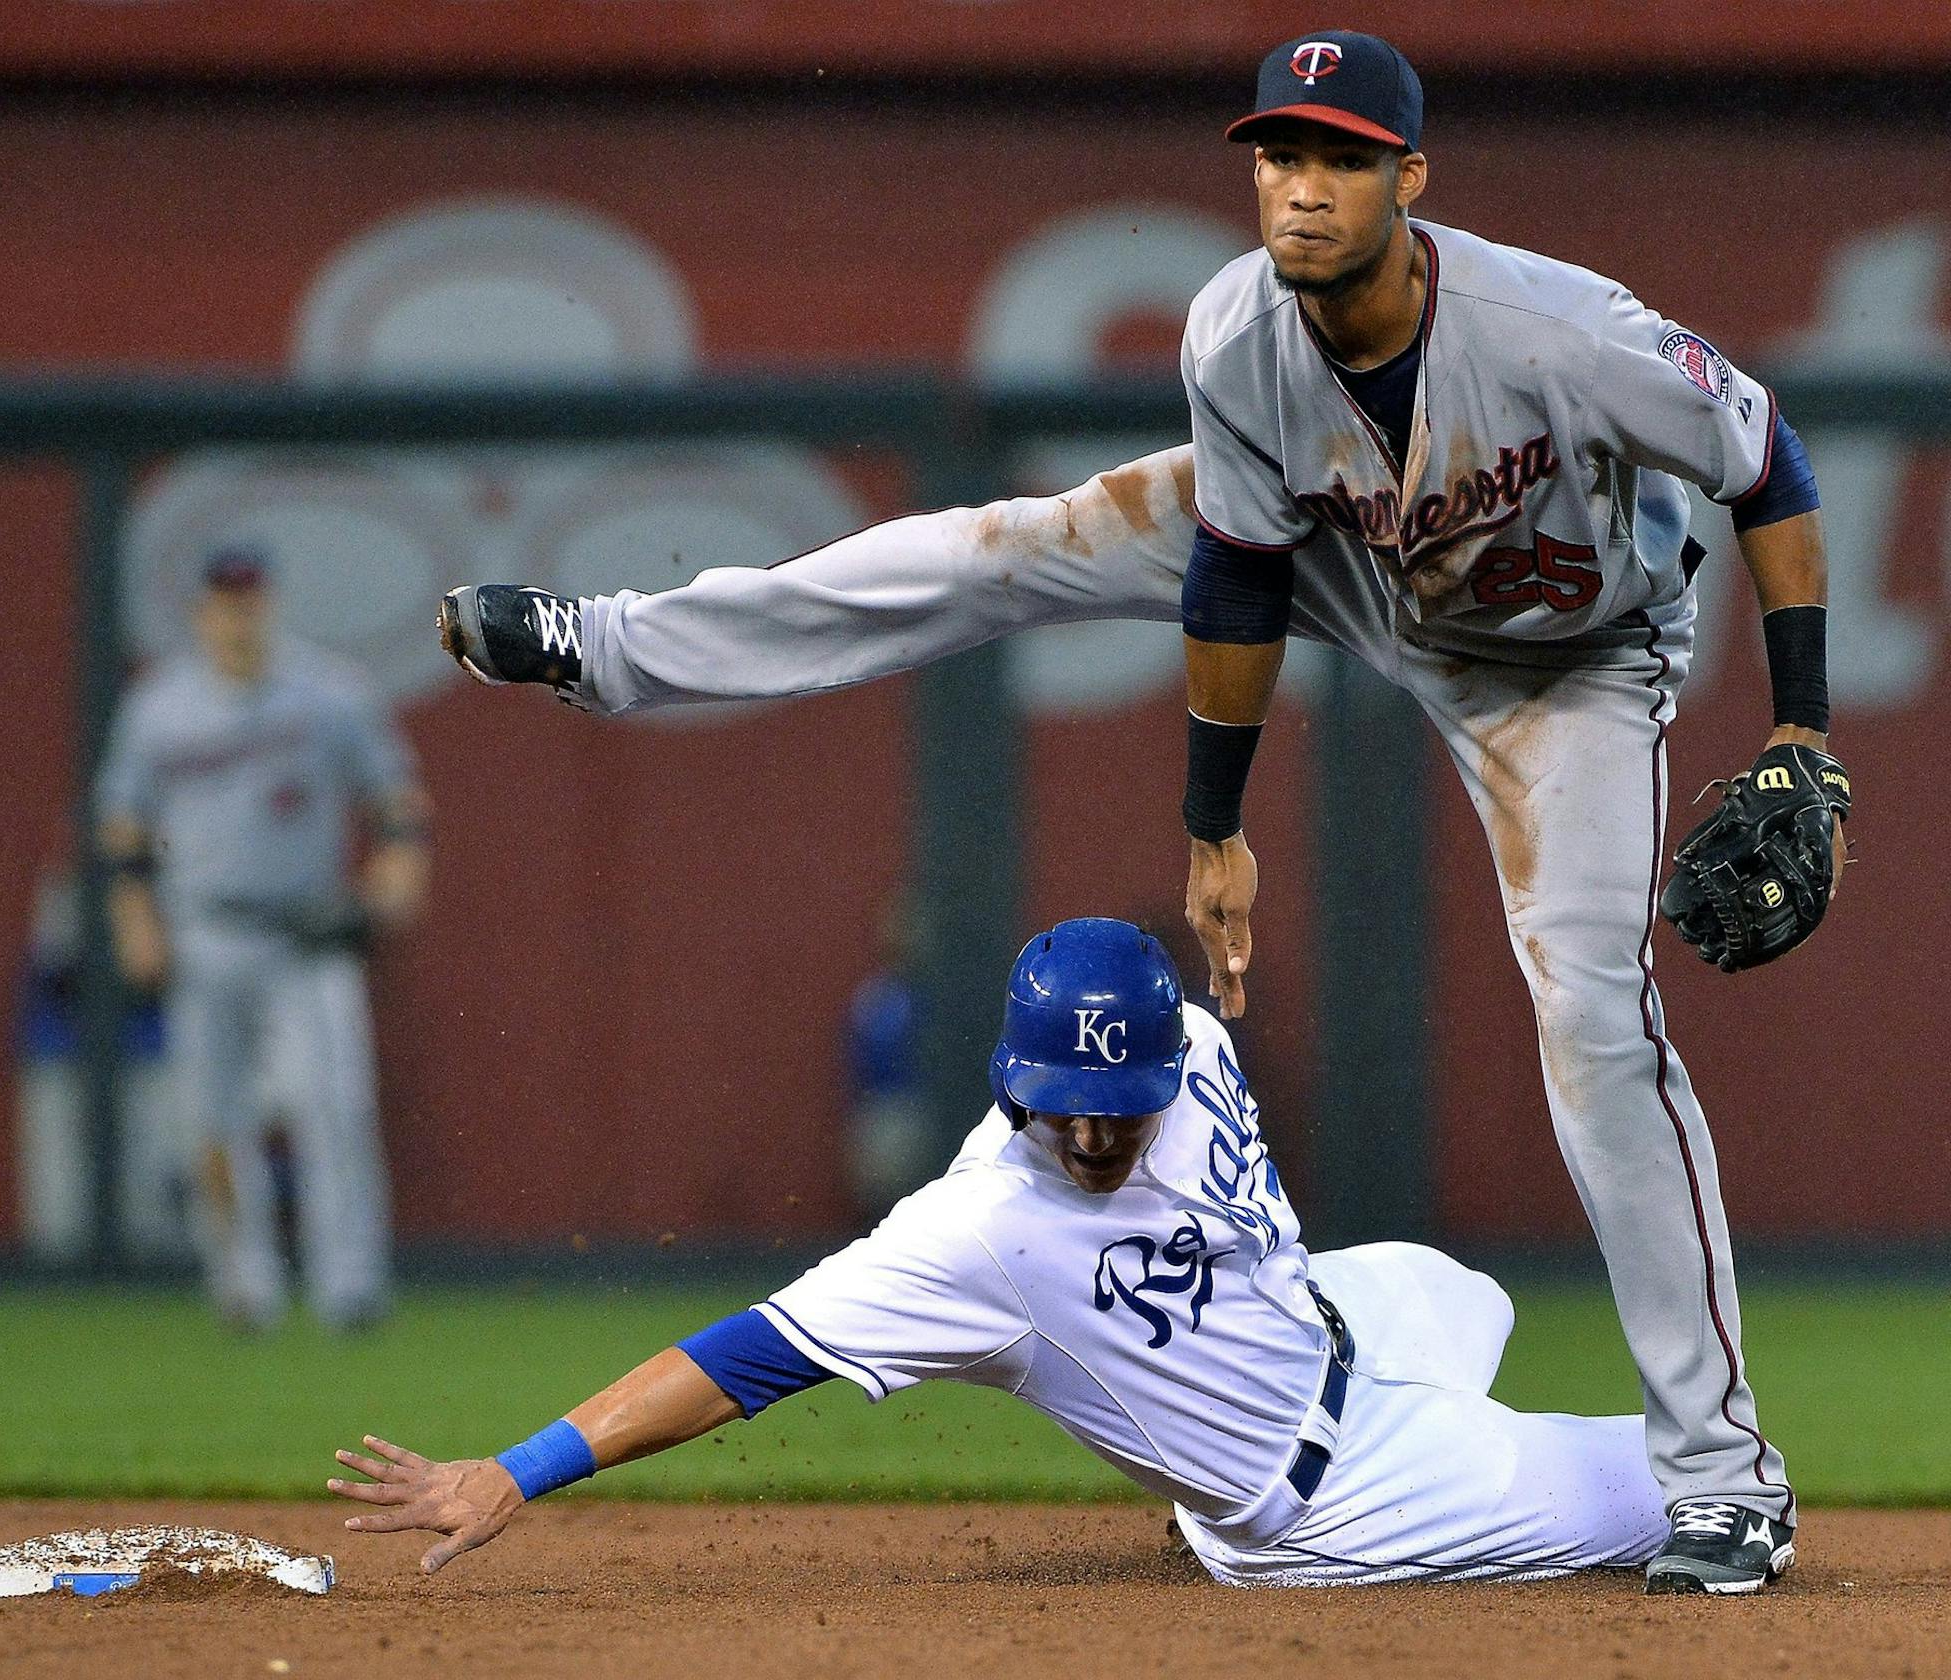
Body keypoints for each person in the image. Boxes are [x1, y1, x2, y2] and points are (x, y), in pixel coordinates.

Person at [434, 33, 1844, 1594]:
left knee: (1591, 1017)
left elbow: (1763, 457)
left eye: (1340, 161)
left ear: (1410, 180)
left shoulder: (1558, 331)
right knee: (1001, 546)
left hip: (1564, 660)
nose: (1301, 190)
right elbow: (1237, 571)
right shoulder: (1239, 329)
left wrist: (1800, 730)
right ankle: (612, 647)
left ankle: (1722, 1476)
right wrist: (1215, 830)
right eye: (1279, 158)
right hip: (1334, 554)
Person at [329, 918, 1674, 1588]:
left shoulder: (1197, 1046)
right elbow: (740, 1359)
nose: (1092, 1125)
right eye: (1062, 1097)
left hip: (1341, 1330)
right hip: (1328, 1493)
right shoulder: (977, 1239)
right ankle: (1414, 1512)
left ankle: (1471, 1469)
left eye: (1118, 1098)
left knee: (1468, 1288)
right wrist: (516, 1470)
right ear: (1014, 1078)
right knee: (1721, 1488)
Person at [97, 544, 429, 1329]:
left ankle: (351, 1289)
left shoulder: (327, 693)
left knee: (334, 1110)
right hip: (205, 931)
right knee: (212, 1122)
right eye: (224, 601)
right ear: (201, 612)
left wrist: (399, 871)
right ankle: (244, 1288)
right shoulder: (160, 707)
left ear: (269, 604)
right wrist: (135, 922)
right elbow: (124, 828)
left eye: (249, 600)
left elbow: (396, 801)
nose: (238, 616)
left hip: (303, 932)